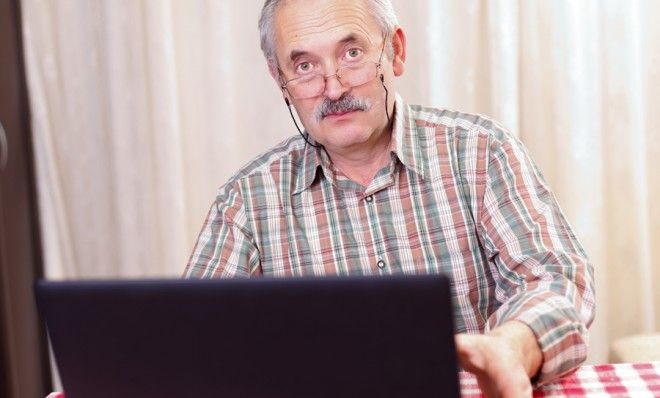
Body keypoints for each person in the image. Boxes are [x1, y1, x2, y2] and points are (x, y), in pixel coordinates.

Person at [184, 0, 595, 396]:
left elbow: (556, 281)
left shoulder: (481, 152)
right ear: (281, 82)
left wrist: (510, 347)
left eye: (351, 53)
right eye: (305, 66)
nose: (333, 87)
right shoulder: (245, 201)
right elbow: (193, 337)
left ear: (395, 52)